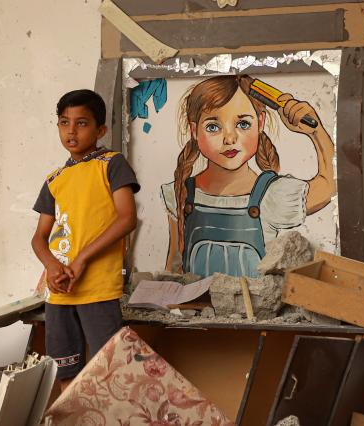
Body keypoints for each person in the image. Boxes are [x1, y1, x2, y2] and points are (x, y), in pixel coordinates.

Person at [160, 75, 335, 277]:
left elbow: (330, 186)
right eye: (213, 127)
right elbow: (173, 268)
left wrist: (316, 131)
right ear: (194, 131)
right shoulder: (179, 194)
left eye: (243, 124)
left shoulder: (273, 195)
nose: (229, 138)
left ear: (260, 123)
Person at [31, 89, 139, 386]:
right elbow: (39, 237)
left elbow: (127, 218)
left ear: (100, 130)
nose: (71, 131)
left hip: (98, 288)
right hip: (60, 290)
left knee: (110, 374)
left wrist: (82, 259)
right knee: (66, 373)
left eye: (81, 123)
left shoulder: (112, 164)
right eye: (64, 123)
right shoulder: (54, 180)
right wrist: (52, 266)